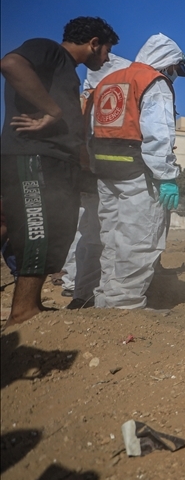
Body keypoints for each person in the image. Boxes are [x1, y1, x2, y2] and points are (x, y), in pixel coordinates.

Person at [0, 17, 118, 324]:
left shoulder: (66, 69)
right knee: (37, 231)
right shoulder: (48, 49)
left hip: (51, 161)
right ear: (94, 43)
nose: (106, 58)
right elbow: (11, 64)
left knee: (28, 227)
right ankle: (23, 311)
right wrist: (53, 110)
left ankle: (31, 304)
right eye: (106, 50)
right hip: (35, 157)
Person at [90, 34, 185, 309]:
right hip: (138, 173)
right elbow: (158, 134)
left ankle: (105, 300)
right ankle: (125, 305)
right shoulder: (154, 82)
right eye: (175, 69)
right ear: (168, 63)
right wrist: (166, 176)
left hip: (105, 170)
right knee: (139, 239)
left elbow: (93, 126)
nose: (174, 75)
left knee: (111, 237)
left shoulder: (109, 80)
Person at [60, 53, 132, 308]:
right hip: (100, 177)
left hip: (90, 176)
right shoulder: (108, 100)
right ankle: (90, 294)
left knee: (89, 234)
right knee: (99, 236)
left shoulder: (88, 100)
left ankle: (83, 290)